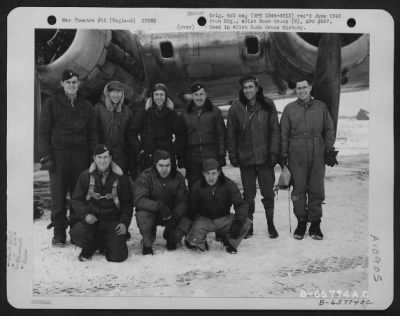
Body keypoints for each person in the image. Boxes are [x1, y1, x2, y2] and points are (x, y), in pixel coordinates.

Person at [38, 69, 98, 246]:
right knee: (58, 197)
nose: (72, 85)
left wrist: (94, 158)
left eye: (74, 82)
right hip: (59, 158)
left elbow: (93, 134)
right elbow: (43, 132)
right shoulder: (51, 103)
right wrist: (46, 156)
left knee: (78, 196)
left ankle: (75, 230)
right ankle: (59, 233)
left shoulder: (87, 106)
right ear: (62, 84)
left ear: (78, 84)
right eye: (68, 82)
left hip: (80, 157)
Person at [280, 79, 336, 240]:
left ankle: (316, 223)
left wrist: (328, 148)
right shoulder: (289, 109)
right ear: (295, 90)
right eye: (298, 88)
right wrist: (283, 155)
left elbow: (329, 129)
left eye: (304, 87)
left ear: (310, 88)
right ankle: (301, 222)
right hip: (296, 153)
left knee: (316, 188)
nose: (302, 91)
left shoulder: (321, 107)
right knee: (298, 189)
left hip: (317, 150)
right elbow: (283, 133)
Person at [227, 75, 280, 239]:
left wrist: (273, 153)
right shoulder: (236, 108)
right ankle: (248, 225)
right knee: (248, 196)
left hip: (265, 159)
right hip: (246, 159)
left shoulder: (268, 104)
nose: (248, 90)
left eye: (251, 87)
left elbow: (275, 131)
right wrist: (233, 155)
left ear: (257, 88)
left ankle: (270, 223)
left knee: (268, 193)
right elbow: (231, 134)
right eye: (245, 87)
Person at [69, 144, 133, 262]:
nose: (102, 161)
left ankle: (105, 243)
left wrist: (124, 223)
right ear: (94, 158)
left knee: (118, 256)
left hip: (111, 220)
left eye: (105, 157)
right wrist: (85, 215)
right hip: (92, 220)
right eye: (99, 157)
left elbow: (127, 203)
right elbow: (76, 199)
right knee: (78, 233)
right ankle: (91, 246)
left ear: (111, 158)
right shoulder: (85, 176)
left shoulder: (121, 178)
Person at [185, 159, 252, 254]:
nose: (211, 177)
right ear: (203, 173)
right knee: (196, 244)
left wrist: (238, 222)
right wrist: (190, 226)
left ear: (219, 173)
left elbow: (241, 204)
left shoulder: (229, 185)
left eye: (213, 173)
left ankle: (229, 241)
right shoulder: (197, 187)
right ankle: (199, 241)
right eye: (208, 173)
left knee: (246, 223)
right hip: (204, 220)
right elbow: (191, 209)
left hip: (223, 219)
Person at [134, 150, 191, 255]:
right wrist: (159, 206)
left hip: (171, 214)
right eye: (161, 165)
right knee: (142, 215)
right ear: (155, 164)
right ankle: (147, 242)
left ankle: (171, 238)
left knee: (186, 218)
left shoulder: (178, 178)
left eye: (167, 165)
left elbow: (183, 201)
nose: (165, 169)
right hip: (153, 213)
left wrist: (175, 216)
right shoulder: (145, 176)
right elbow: (139, 200)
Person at [182, 82, 226, 188]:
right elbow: (182, 137)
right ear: (192, 96)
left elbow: (221, 135)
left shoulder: (215, 112)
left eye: (201, 94)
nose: (199, 98)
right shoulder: (185, 114)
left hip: (211, 155)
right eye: (196, 95)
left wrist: (221, 155)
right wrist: (182, 157)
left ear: (206, 95)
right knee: (194, 187)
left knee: (214, 186)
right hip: (193, 157)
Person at [93, 80, 138, 181]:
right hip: (102, 157)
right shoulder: (98, 109)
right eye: (113, 92)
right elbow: (94, 134)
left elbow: (129, 138)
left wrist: (131, 162)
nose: (116, 95)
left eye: (119, 92)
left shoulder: (127, 112)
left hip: (121, 158)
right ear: (107, 93)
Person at [134, 83, 184, 172]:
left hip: (166, 157)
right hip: (148, 157)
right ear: (152, 96)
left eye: (162, 95)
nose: (159, 97)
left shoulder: (172, 114)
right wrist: (140, 149)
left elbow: (181, 134)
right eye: (156, 94)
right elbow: (132, 132)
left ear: (165, 96)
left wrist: (173, 151)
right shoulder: (143, 113)